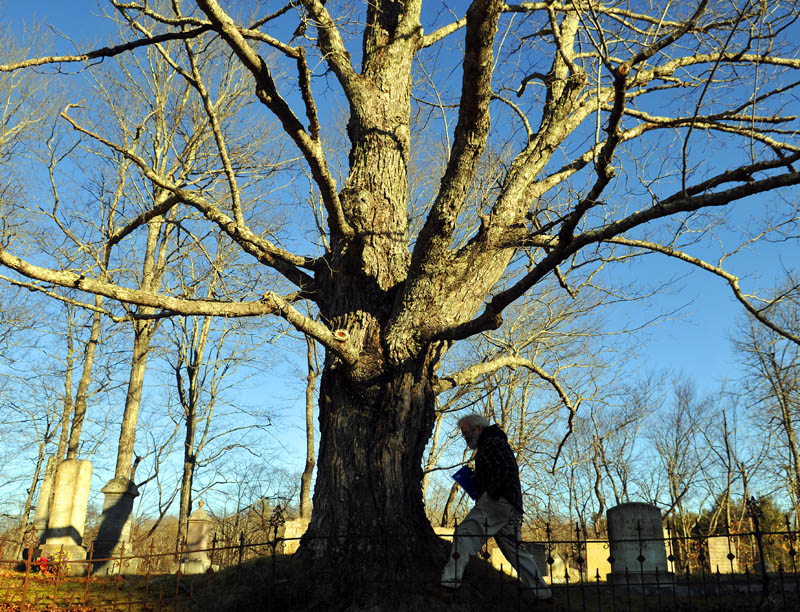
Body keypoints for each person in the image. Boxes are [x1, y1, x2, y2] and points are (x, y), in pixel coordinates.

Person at [440, 413, 552, 600]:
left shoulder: (491, 443)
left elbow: (507, 470)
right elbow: (502, 470)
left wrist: (490, 492)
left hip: (498, 502)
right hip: (509, 504)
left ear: (479, 428)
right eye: (463, 434)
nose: (465, 437)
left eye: (466, 432)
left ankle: (448, 586)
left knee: (465, 534)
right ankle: (544, 596)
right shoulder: (494, 442)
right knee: (516, 552)